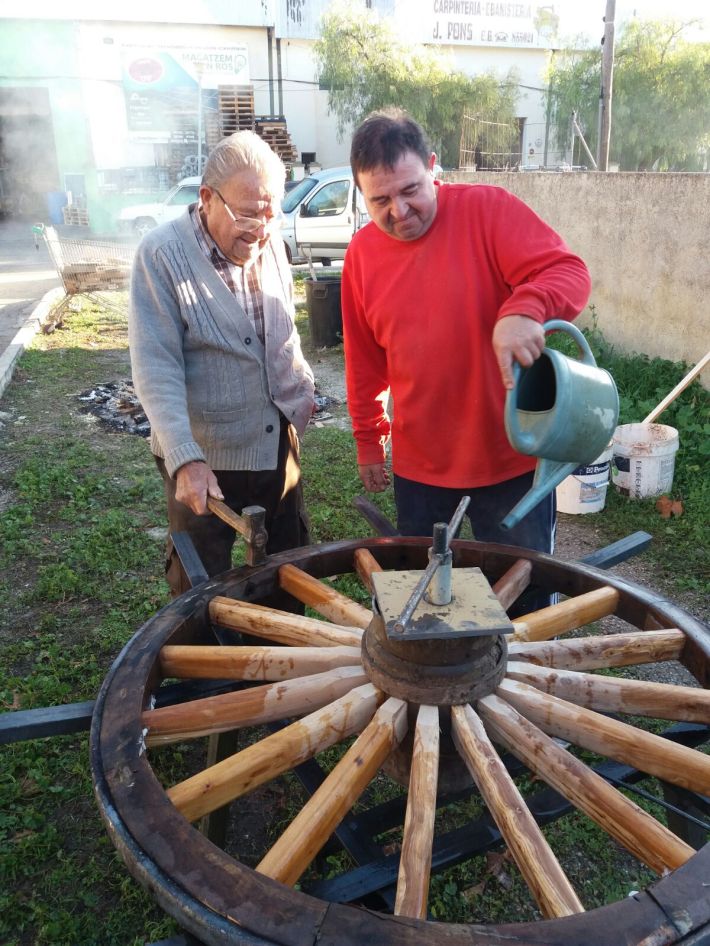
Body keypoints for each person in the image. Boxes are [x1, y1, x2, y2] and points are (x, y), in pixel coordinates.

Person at [342, 108, 592, 588]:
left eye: (411, 189)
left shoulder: (489, 210)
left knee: (523, 598)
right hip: (422, 470)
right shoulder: (361, 256)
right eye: (380, 200)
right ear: (361, 194)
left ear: (433, 167)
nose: (399, 211)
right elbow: (364, 361)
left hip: (512, 457)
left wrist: (525, 308)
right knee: (430, 597)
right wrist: (369, 440)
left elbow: (569, 271)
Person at [129, 131, 314, 596]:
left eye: (271, 214)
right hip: (204, 456)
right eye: (249, 213)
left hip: (275, 446)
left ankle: (285, 663)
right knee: (201, 588)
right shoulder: (161, 255)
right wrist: (185, 459)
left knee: (285, 570)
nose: (261, 229)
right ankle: (211, 667)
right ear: (207, 198)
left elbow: (282, 328)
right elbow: (156, 366)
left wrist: (300, 390)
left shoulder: (269, 241)